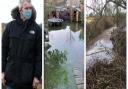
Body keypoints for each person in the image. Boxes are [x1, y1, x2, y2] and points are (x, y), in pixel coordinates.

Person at [2, 0, 42, 89]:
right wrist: (2, 71)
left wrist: (37, 76)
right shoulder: (10, 27)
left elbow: (39, 55)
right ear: (20, 10)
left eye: (30, 8)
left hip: (27, 80)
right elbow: (3, 50)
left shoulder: (37, 29)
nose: (29, 10)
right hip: (10, 78)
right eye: (26, 8)